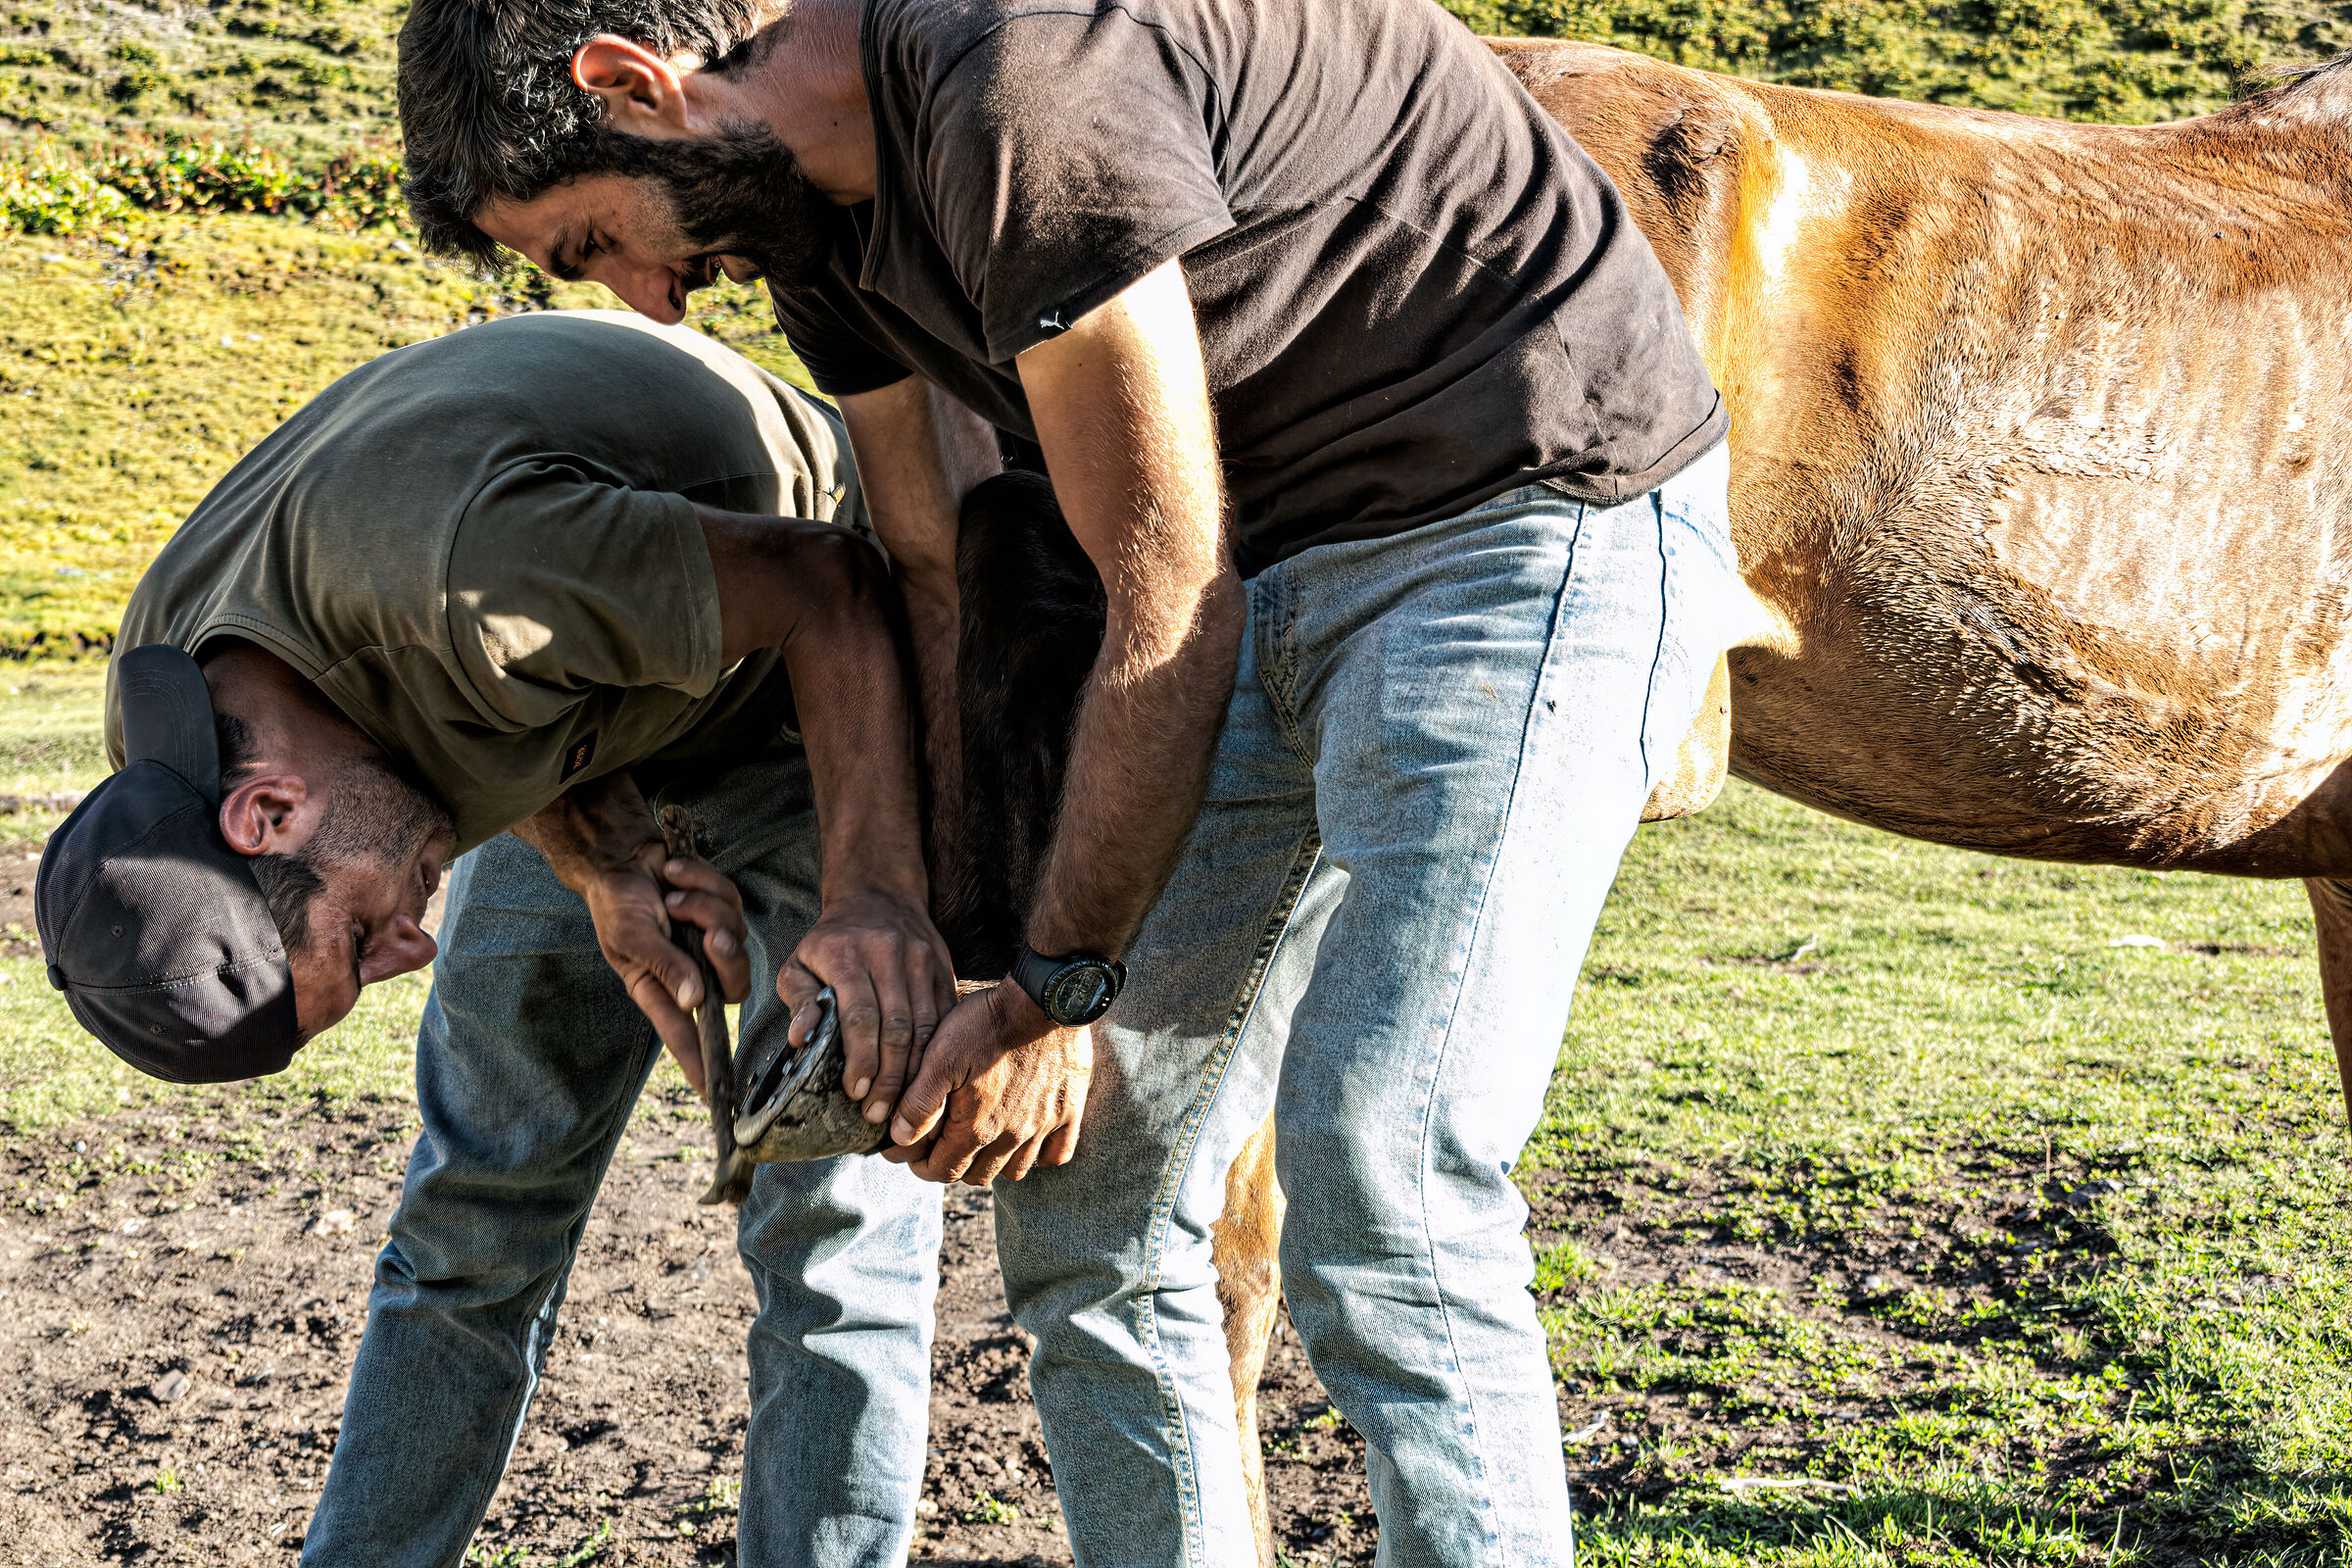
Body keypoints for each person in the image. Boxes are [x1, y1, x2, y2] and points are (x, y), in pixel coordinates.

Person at [395, 1, 1751, 1560]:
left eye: (593, 246)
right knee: (1091, 1205)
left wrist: (1055, 984)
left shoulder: (1017, 82)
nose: (651, 297)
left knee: (1390, 1171)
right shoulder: (812, 228)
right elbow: (932, 567)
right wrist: (906, 915)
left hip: (1519, 524)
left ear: (634, 88)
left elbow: (1162, 587)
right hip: (1263, 568)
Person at [34, 309, 977, 1567]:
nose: (409, 954)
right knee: (472, 1212)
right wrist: (599, 855)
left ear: (267, 812)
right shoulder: (177, 754)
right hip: (599, 691)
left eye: (364, 934)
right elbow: (421, 704)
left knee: (831, 1228)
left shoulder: (468, 578)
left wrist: (874, 903)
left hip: (814, 657)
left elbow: (834, 588)